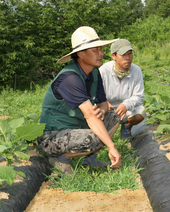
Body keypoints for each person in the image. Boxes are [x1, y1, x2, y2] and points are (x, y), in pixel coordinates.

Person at [38, 26, 122, 175]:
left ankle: (89, 160)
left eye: (101, 49)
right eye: (95, 50)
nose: (101, 53)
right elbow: (90, 116)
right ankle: (60, 159)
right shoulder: (70, 78)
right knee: (96, 137)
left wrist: (102, 111)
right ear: (81, 54)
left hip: (76, 128)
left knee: (114, 117)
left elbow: (103, 104)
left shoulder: (94, 72)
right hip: (52, 136)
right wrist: (111, 147)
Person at [99, 39, 146, 141]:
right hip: (108, 108)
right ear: (113, 56)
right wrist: (104, 103)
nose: (128, 58)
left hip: (127, 108)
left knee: (141, 113)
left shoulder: (136, 70)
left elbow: (139, 96)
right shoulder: (103, 71)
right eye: (123, 55)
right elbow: (94, 94)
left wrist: (126, 105)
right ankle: (103, 134)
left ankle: (127, 126)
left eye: (130, 54)